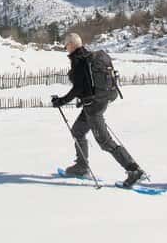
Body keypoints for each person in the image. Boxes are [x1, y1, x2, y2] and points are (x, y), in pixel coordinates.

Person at [51, 33, 146, 188]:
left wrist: (61, 101)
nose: (66, 49)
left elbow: (78, 88)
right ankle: (81, 167)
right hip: (97, 102)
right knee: (78, 131)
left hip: (93, 107)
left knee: (105, 141)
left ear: (71, 45)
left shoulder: (79, 61)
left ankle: (134, 170)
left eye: (66, 46)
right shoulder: (89, 57)